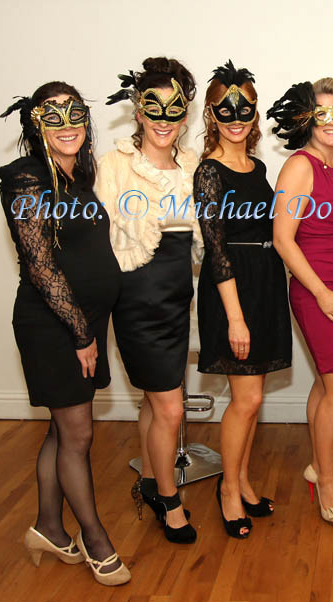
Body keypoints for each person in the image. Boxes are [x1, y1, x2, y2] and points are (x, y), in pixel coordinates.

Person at [0, 82, 130, 585]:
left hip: (85, 321)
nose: (67, 124)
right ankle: (95, 539)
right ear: (36, 123)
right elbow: (40, 266)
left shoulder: (78, 174)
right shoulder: (27, 177)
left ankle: (49, 527)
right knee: (78, 433)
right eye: (53, 116)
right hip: (53, 324)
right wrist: (80, 333)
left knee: (60, 427)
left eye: (75, 114)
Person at [96, 57, 201, 544]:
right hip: (136, 295)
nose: (163, 118)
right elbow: (98, 236)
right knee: (171, 408)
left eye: (173, 109)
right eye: (152, 108)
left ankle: (148, 480)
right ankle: (168, 499)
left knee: (156, 401)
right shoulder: (116, 163)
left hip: (179, 295)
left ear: (185, 114)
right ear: (138, 111)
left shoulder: (193, 166)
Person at [194, 61, 292, 538]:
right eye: (225, 109)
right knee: (246, 398)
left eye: (245, 109)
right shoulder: (208, 172)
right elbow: (215, 249)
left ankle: (244, 481)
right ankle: (228, 490)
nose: (236, 117)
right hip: (231, 287)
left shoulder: (258, 166)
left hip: (266, 281)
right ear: (212, 113)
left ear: (254, 114)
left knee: (252, 400)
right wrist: (235, 318)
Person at [268, 77, 333, 526]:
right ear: (307, 118)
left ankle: (316, 464)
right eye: (322, 113)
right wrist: (322, 291)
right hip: (317, 292)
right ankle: (326, 478)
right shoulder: (299, 167)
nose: (331, 123)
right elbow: (283, 241)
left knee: (327, 386)